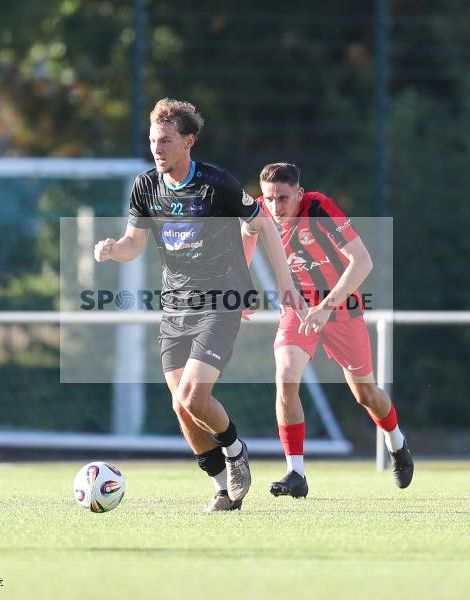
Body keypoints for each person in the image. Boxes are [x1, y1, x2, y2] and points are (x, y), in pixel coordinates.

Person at [94, 100, 304, 512]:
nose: (158, 148)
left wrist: (285, 285)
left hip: (221, 301)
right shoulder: (145, 186)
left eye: (167, 140)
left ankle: (235, 448)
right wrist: (113, 249)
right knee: (182, 407)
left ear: (188, 141)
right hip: (175, 306)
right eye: (154, 140)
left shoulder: (216, 184)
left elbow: (262, 222)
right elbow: (134, 244)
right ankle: (224, 491)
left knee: (193, 394)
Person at [241, 162, 414, 498]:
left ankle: (397, 444)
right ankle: (296, 472)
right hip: (299, 307)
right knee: (286, 375)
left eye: (283, 198)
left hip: (341, 306)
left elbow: (362, 261)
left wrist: (327, 307)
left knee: (365, 394)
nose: (276, 207)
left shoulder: (319, 208)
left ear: (300, 193)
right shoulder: (260, 210)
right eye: (270, 198)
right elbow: (245, 237)